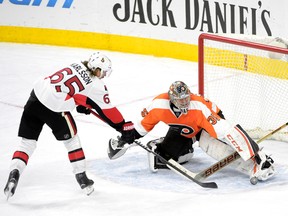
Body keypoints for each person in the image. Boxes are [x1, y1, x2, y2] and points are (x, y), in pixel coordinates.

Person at [4, 52, 135, 199]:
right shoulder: (96, 85)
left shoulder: (76, 64)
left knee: (27, 143)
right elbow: (107, 110)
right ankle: (83, 179)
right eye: (103, 71)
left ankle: (14, 175)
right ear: (97, 69)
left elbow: (69, 88)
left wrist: (81, 103)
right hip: (54, 108)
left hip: (35, 98)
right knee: (72, 141)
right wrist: (122, 125)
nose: (104, 75)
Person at [109, 81, 275, 184]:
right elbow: (142, 127)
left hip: (205, 125)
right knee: (162, 158)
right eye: (180, 99)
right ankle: (184, 147)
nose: (185, 101)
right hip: (183, 130)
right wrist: (126, 139)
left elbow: (226, 131)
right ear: (172, 98)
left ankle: (255, 166)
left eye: (186, 97)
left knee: (217, 150)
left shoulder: (199, 107)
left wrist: (256, 153)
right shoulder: (159, 105)